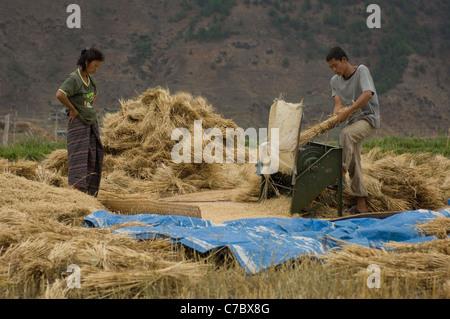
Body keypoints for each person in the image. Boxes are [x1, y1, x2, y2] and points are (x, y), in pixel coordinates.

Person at [326, 46, 380, 214]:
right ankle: (361, 205)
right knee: (355, 162)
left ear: (344, 60)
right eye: (331, 68)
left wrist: (348, 112)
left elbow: (367, 94)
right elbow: (338, 105)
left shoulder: (361, 71)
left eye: (336, 65)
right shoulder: (334, 81)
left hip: (369, 118)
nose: (334, 70)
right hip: (353, 121)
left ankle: (340, 174)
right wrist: (336, 118)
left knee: (346, 134)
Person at [56, 48, 105, 197]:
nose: (96, 69)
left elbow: (94, 96)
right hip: (78, 124)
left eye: (98, 66)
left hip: (91, 123)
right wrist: (73, 109)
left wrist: (86, 105)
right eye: (95, 65)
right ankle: (74, 193)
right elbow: (60, 94)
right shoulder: (74, 79)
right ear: (86, 62)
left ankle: (88, 194)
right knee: (78, 158)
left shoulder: (91, 80)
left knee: (93, 156)